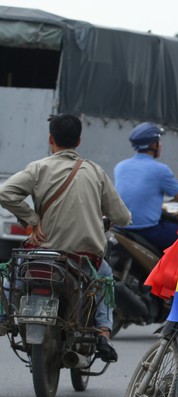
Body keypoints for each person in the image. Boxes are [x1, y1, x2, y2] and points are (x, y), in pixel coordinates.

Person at [0, 114, 131, 361]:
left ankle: (3, 316)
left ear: (51, 139)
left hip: (42, 254)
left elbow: (5, 192)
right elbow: (122, 217)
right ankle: (103, 333)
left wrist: (31, 219)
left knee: (13, 273)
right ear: (78, 140)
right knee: (104, 278)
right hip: (84, 259)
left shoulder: (37, 168)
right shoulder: (95, 172)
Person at [114, 123, 178, 251]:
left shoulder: (120, 167)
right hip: (147, 230)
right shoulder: (160, 170)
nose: (161, 145)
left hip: (121, 228)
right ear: (153, 145)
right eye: (159, 141)